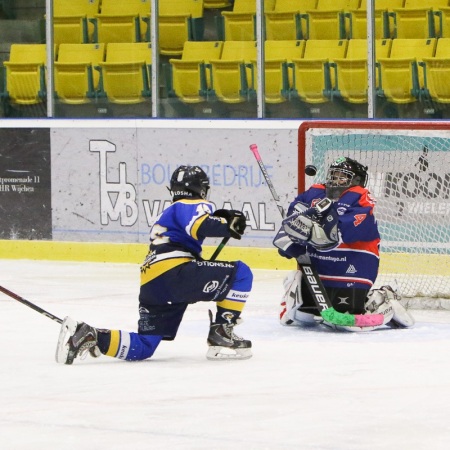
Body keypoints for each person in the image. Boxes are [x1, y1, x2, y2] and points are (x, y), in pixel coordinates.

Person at [56, 165, 253, 364]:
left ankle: (92, 335)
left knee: (144, 346)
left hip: (152, 281)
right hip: (175, 273)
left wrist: (223, 224)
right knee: (242, 273)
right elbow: (199, 224)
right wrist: (228, 224)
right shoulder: (191, 203)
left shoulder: (169, 211)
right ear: (201, 188)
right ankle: (222, 331)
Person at [273, 156, 414, 331]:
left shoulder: (360, 196)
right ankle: (295, 296)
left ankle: (381, 300)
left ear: (356, 180)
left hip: (351, 270)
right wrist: (292, 238)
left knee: (348, 319)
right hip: (318, 273)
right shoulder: (314, 192)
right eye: (333, 175)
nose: (335, 180)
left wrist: (312, 229)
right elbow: (291, 225)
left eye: (342, 176)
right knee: (302, 315)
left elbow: (340, 233)